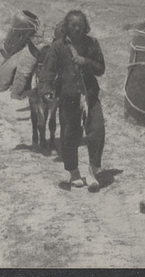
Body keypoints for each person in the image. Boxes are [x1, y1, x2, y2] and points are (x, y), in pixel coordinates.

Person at [39, 10, 106, 192]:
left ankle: (92, 172)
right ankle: (74, 173)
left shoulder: (92, 44)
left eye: (80, 25)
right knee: (69, 135)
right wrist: (46, 90)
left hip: (90, 96)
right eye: (73, 25)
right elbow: (48, 72)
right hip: (68, 97)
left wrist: (86, 61)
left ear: (85, 26)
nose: (76, 28)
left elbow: (101, 68)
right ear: (66, 27)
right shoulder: (58, 47)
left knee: (97, 132)